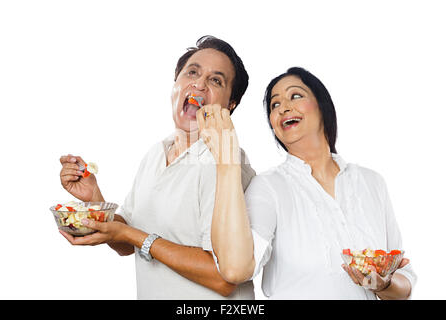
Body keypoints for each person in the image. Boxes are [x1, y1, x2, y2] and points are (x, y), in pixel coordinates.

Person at [58, 36, 256, 299]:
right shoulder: (157, 152)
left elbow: (224, 278)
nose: (199, 84)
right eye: (192, 72)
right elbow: (125, 243)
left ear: (230, 106)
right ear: (175, 85)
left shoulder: (229, 165)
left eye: (216, 80)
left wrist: (133, 235)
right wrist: (95, 199)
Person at [198, 67, 417, 299]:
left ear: (322, 106)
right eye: (274, 105)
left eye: (295, 96)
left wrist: (384, 285)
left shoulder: (372, 182)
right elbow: (236, 268)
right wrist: (226, 157)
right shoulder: (268, 187)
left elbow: (404, 281)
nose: (283, 107)